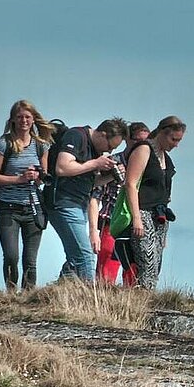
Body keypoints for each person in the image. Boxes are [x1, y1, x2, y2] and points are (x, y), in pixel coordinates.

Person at [49, 118, 128, 283]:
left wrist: (110, 176)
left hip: (79, 203)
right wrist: (95, 163)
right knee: (85, 255)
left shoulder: (95, 149)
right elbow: (62, 168)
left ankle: (59, 290)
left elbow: (90, 182)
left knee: (75, 256)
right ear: (102, 134)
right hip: (64, 202)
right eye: (110, 146)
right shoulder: (76, 136)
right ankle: (89, 295)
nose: (109, 151)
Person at [0, 100, 54, 291]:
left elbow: (43, 178)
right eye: (20, 117)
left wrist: (37, 176)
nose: (24, 121)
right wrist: (19, 179)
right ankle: (10, 292)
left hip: (33, 208)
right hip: (8, 208)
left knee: (30, 259)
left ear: (33, 119)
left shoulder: (41, 145)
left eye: (27, 117)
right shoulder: (4, 144)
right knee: (11, 256)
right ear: (13, 120)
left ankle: (28, 295)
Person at [122, 116, 186, 290]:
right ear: (163, 134)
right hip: (143, 212)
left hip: (160, 215)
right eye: (173, 139)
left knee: (155, 264)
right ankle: (143, 297)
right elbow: (130, 183)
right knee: (146, 261)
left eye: (179, 140)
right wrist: (136, 218)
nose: (176, 144)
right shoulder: (144, 149)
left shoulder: (165, 157)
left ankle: (146, 296)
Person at [91, 121, 150, 285]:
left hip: (140, 222)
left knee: (135, 269)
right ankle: (103, 296)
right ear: (128, 140)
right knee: (107, 269)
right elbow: (95, 195)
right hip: (112, 220)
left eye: (146, 141)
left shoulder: (149, 165)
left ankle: (131, 298)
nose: (142, 145)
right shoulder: (112, 162)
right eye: (138, 141)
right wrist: (93, 230)